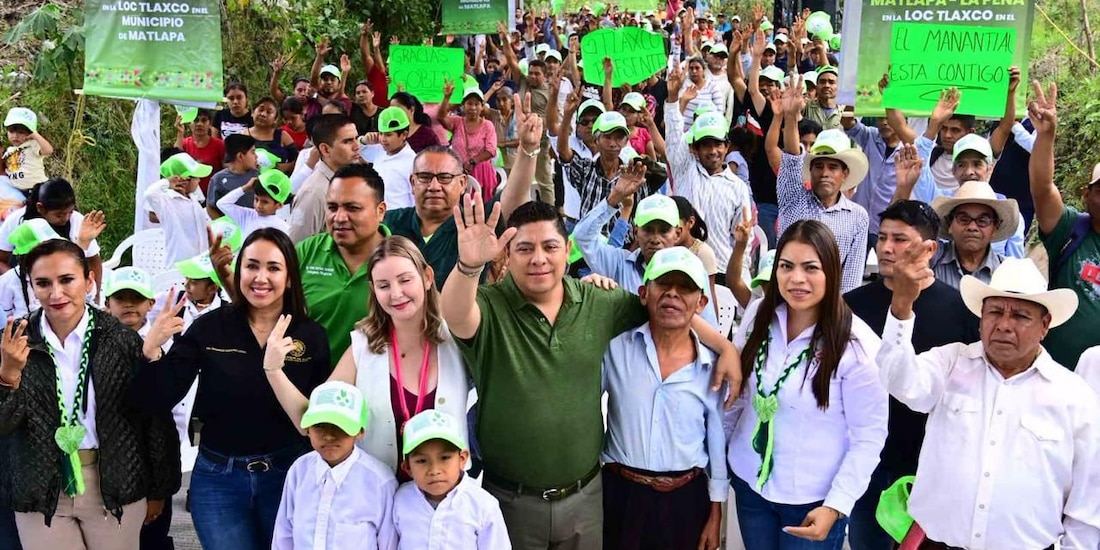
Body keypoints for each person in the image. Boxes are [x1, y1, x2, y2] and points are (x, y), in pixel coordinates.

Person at [441, 196, 740, 550]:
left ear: (567, 249)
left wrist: (726, 347)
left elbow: (666, 309)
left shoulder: (600, 302)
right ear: (507, 254)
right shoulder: (490, 304)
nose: (539, 259)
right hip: (511, 499)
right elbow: (457, 315)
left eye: (550, 246)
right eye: (524, 248)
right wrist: (469, 266)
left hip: (585, 498)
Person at [876, 252, 1100, 548]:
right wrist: (902, 306)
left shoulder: (1074, 395)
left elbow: (1087, 502)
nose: (1004, 325)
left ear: (1044, 325)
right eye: (995, 312)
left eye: (1020, 315)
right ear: (981, 317)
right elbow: (898, 379)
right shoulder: (950, 362)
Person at [132, 228, 331, 550]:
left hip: (287, 474)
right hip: (219, 479)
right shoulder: (210, 327)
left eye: (273, 268)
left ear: (290, 278)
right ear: (237, 273)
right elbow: (155, 398)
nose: (260, 277)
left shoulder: (311, 336)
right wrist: (152, 350)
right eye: (251, 266)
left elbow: (317, 419)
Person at [0, 239, 178, 550]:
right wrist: (8, 375)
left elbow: (153, 418)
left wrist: (160, 488)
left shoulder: (122, 341)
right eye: (43, 283)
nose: (56, 293)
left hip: (113, 482)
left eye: (67, 280)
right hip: (41, 486)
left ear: (89, 281)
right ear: (31, 287)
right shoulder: (14, 343)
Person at [727, 220, 888, 550]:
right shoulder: (760, 315)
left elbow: (869, 435)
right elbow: (738, 396)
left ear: (831, 272)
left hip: (812, 500)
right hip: (749, 486)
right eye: (786, 266)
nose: (796, 279)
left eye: (810, 268)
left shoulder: (855, 344)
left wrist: (836, 505)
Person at [268, 236, 469, 477]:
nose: (396, 294)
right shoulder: (363, 345)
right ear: (373, 289)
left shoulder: (456, 338)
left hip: (445, 501)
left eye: (405, 280)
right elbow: (313, 420)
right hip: (378, 497)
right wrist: (273, 371)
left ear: (427, 277)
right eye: (383, 285)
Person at [842, 200, 979, 550]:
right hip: (868, 461)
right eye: (882, 237)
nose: (887, 247)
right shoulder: (851, 306)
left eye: (900, 239)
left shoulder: (961, 310)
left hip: (931, 467)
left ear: (930, 248)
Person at [601, 247, 726, 550]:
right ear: (644, 293)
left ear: (702, 302)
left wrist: (716, 509)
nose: (672, 294)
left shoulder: (713, 367)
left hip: (686, 498)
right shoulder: (615, 350)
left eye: (685, 288)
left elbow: (717, 439)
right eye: (663, 284)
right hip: (622, 494)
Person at [383, 98, 540, 289]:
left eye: (445, 177)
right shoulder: (390, 223)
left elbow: (513, 197)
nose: (434, 186)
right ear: (413, 182)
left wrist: (528, 149)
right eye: (424, 177)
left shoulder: (477, 223)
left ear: (463, 183)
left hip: (462, 317)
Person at [272, 381, 397, 550]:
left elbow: (388, 542)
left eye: (340, 426)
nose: (329, 436)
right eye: (319, 426)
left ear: (360, 431)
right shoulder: (299, 470)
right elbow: (284, 534)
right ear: (307, 429)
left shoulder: (380, 481)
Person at [573, 183, 720, 327]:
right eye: (648, 230)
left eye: (664, 231)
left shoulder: (693, 270)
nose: (655, 239)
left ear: (677, 234)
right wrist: (615, 197)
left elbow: (708, 326)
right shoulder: (619, 263)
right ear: (636, 232)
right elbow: (582, 236)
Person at [1028, 81, 1100, 370]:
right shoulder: (1071, 230)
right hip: (1058, 375)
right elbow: (1043, 188)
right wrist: (1046, 136)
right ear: (1087, 194)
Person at [773, 79, 870, 293]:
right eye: (818, 166)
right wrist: (789, 118)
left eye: (833, 167)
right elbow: (790, 159)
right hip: (787, 299)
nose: (824, 173)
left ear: (845, 173)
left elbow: (851, 280)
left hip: (829, 311)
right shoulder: (793, 199)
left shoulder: (858, 217)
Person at [665, 64, 752, 281]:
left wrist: (741, 277)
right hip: (681, 266)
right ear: (695, 148)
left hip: (722, 270)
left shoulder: (738, 187)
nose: (713, 151)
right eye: (705, 145)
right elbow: (674, 137)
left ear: (726, 147)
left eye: (718, 144)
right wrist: (674, 99)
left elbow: (742, 238)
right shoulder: (685, 168)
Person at [296, 164, 388, 365]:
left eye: (352, 208)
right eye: (332, 207)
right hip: (306, 389)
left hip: (374, 388)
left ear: (380, 211)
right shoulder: (305, 253)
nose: (338, 217)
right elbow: (266, 312)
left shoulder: (402, 261)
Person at [394, 410, 510, 549]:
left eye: (445, 458)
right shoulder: (400, 499)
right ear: (407, 467)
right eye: (422, 461)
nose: (434, 470)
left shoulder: (483, 505)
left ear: (462, 459)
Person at [558, 111, 664, 235]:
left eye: (619, 138)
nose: (613, 144)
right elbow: (563, 152)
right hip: (588, 244)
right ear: (596, 140)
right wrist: (567, 114)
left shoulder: (633, 176)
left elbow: (640, 221)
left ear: (625, 142)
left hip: (621, 248)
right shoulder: (585, 170)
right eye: (607, 137)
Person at [0, 179, 105, 287]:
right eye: (59, 215)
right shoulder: (16, 221)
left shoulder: (78, 222)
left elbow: (93, 261)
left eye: (70, 212)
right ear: (40, 208)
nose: (65, 218)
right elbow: (1, 260)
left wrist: (97, 297)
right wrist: (18, 282)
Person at [929, 180, 1019, 289]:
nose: (972, 227)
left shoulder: (1007, 272)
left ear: (995, 228)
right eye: (963, 219)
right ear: (950, 224)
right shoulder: (930, 258)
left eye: (983, 220)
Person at [287, 114, 361, 243]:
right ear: (325, 149)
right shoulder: (314, 193)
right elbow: (297, 247)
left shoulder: (345, 181)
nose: (356, 146)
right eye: (347, 141)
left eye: (356, 138)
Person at [144, 153, 213, 268]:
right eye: (196, 177)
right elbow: (149, 193)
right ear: (184, 180)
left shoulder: (193, 199)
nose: (199, 181)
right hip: (178, 267)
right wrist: (167, 182)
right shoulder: (167, 202)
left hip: (201, 263)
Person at [437, 86, 499, 201]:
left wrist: (472, 161)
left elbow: (491, 150)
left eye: (477, 104)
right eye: (469, 104)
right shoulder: (457, 122)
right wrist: (447, 97)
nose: (473, 108)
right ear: (463, 106)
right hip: (459, 171)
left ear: (482, 107)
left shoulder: (487, 125)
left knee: (480, 206)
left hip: (482, 173)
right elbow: (440, 117)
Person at [360, 107, 418, 210]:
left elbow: (416, 200)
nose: (382, 139)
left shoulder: (413, 162)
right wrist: (364, 140)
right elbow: (358, 150)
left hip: (399, 220)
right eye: (381, 133)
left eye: (388, 135)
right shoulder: (379, 150)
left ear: (404, 135)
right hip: (375, 216)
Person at [216, 170, 292, 238]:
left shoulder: (284, 228)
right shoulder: (246, 216)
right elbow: (222, 204)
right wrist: (245, 188)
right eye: (256, 199)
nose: (258, 205)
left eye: (265, 202)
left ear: (279, 205)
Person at [173, 108, 225, 195]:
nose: (200, 124)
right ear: (190, 124)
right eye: (196, 120)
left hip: (213, 194)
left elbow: (226, 170)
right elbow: (174, 161)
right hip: (189, 194)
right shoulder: (184, 143)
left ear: (210, 124)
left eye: (204, 120)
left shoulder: (219, 145)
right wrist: (180, 133)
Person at [207, 134, 260, 218]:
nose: (256, 156)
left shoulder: (258, 175)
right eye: (253, 152)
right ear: (240, 156)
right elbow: (211, 207)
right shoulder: (218, 179)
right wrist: (223, 225)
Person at [2, 107, 53, 194]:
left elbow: (48, 151)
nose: (15, 136)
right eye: (11, 131)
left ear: (30, 133)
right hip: (17, 191)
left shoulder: (32, 144)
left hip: (38, 189)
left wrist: (35, 136)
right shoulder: (9, 151)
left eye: (21, 132)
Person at [245, 97, 298, 174]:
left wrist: (287, 166)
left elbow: (298, 159)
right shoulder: (242, 135)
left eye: (269, 112)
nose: (263, 114)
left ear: (275, 119)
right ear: (252, 112)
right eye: (261, 109)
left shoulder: (282, 136)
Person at [305, 39, 353, 120]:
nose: (329, 82)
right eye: (325, 79)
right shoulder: (314, 93)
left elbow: (333, 108)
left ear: (339, 83)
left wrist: (345, 72)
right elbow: (314, 78)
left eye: (333, 79)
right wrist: (319, 56)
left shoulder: (344, 101)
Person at [801, 65, 842, 130]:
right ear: (816, 87)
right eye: (822, 82)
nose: (827, 85)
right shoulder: (806, 106)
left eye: (831, 82)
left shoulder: (845, 111)